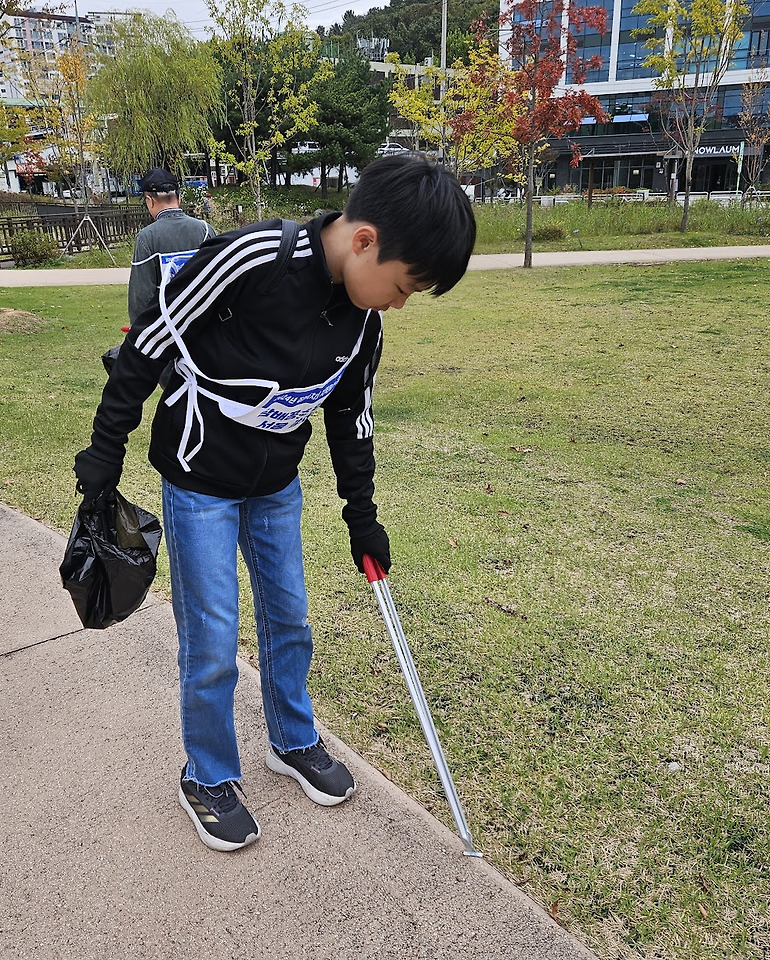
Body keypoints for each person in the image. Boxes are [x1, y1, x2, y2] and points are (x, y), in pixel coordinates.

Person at [73, 154, 476, 852]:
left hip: (275, 486)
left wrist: (362, 515)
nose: (399, 303)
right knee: (213, 639)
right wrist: (105, 452)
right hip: (199, 479)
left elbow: (351, 418)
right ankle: (207, 775)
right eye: (403, 286)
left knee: (289, 618)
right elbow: (147, 347)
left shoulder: (363, 324)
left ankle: (291, 739)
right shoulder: (254, 258)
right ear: (365, 241)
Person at [128, 167, 215, 328]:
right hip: (205, 323)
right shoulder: (205, 230)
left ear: (150, 200)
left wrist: (138, 331)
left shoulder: (147, 237)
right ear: (178, 198)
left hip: (168, 327)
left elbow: (141, 295)